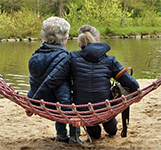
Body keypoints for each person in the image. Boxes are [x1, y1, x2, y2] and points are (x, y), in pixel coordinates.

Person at [31, 25, 139, 140]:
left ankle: (95, 128)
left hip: (83, 111)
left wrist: (34, 101)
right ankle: (110, 126)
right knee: (111, 126)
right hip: (105, 108)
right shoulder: (109, 60)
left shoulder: (71, 58)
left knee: (94, 134)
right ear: (98, 41)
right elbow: (130, 82)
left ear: (79, 44)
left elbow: (52, 80)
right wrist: (137, 93)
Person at [27, 16, 80, 144]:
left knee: (58, 99)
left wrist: (30, 100)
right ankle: (74, 137)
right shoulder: (64, 58)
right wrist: (70, 115)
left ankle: (61, 135)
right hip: (59, 104)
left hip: (43, 102)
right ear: (64, 39)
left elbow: (34, 82)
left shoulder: (34, 56)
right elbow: (63, 92)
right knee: (75, 99)